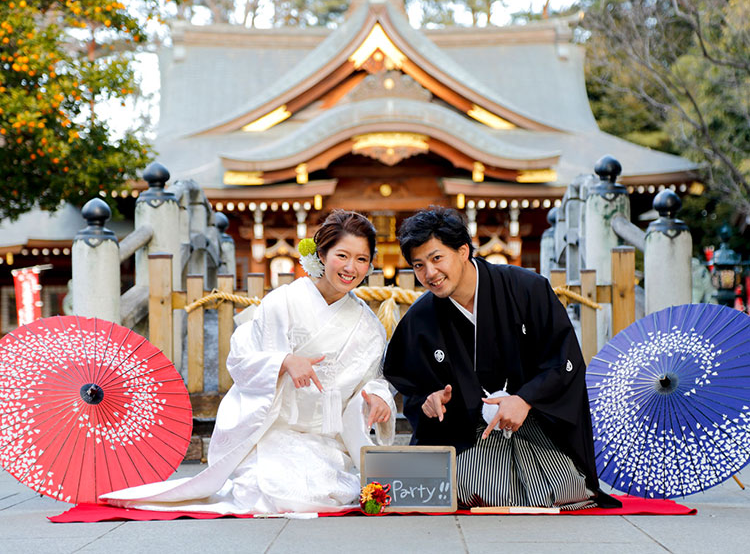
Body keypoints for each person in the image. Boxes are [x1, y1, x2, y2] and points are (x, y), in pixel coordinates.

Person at [101, 210, 396, 514]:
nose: (351, 268)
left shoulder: (368, 326)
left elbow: (370, 379)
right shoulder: (282, 302)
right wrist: (283, 361)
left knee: (324, 493)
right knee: (270, 493)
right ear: (321, 253)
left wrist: (377, 396)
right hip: (271, 431)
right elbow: (242, 359)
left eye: (361, 259)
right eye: (342, 255)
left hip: (326, 438)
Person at [383, 207, 620, 510]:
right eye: (418, 265)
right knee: (464, 487)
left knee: (561, 488)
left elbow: (565, 361)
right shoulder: (421, 318)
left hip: (533, 423)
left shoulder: (526, 289)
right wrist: (428, 402)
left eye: (436, 258)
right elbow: (407, 382)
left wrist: (525, 399)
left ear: (463, 251)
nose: (429, 273)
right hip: (469, 434)